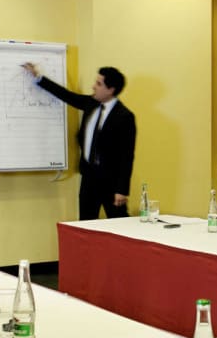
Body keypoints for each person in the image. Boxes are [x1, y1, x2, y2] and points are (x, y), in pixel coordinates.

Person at [23, 62, 136, 220]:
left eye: (99, 84)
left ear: (111, 90)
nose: (93, 86)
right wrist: (38, 77)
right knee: (85, 223)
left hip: (111, 183)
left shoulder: (124, 117)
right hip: (89, 178)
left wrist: (122, 190)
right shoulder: (91, 103)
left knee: (120, 224)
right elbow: (66, 95)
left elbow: (127, 156)